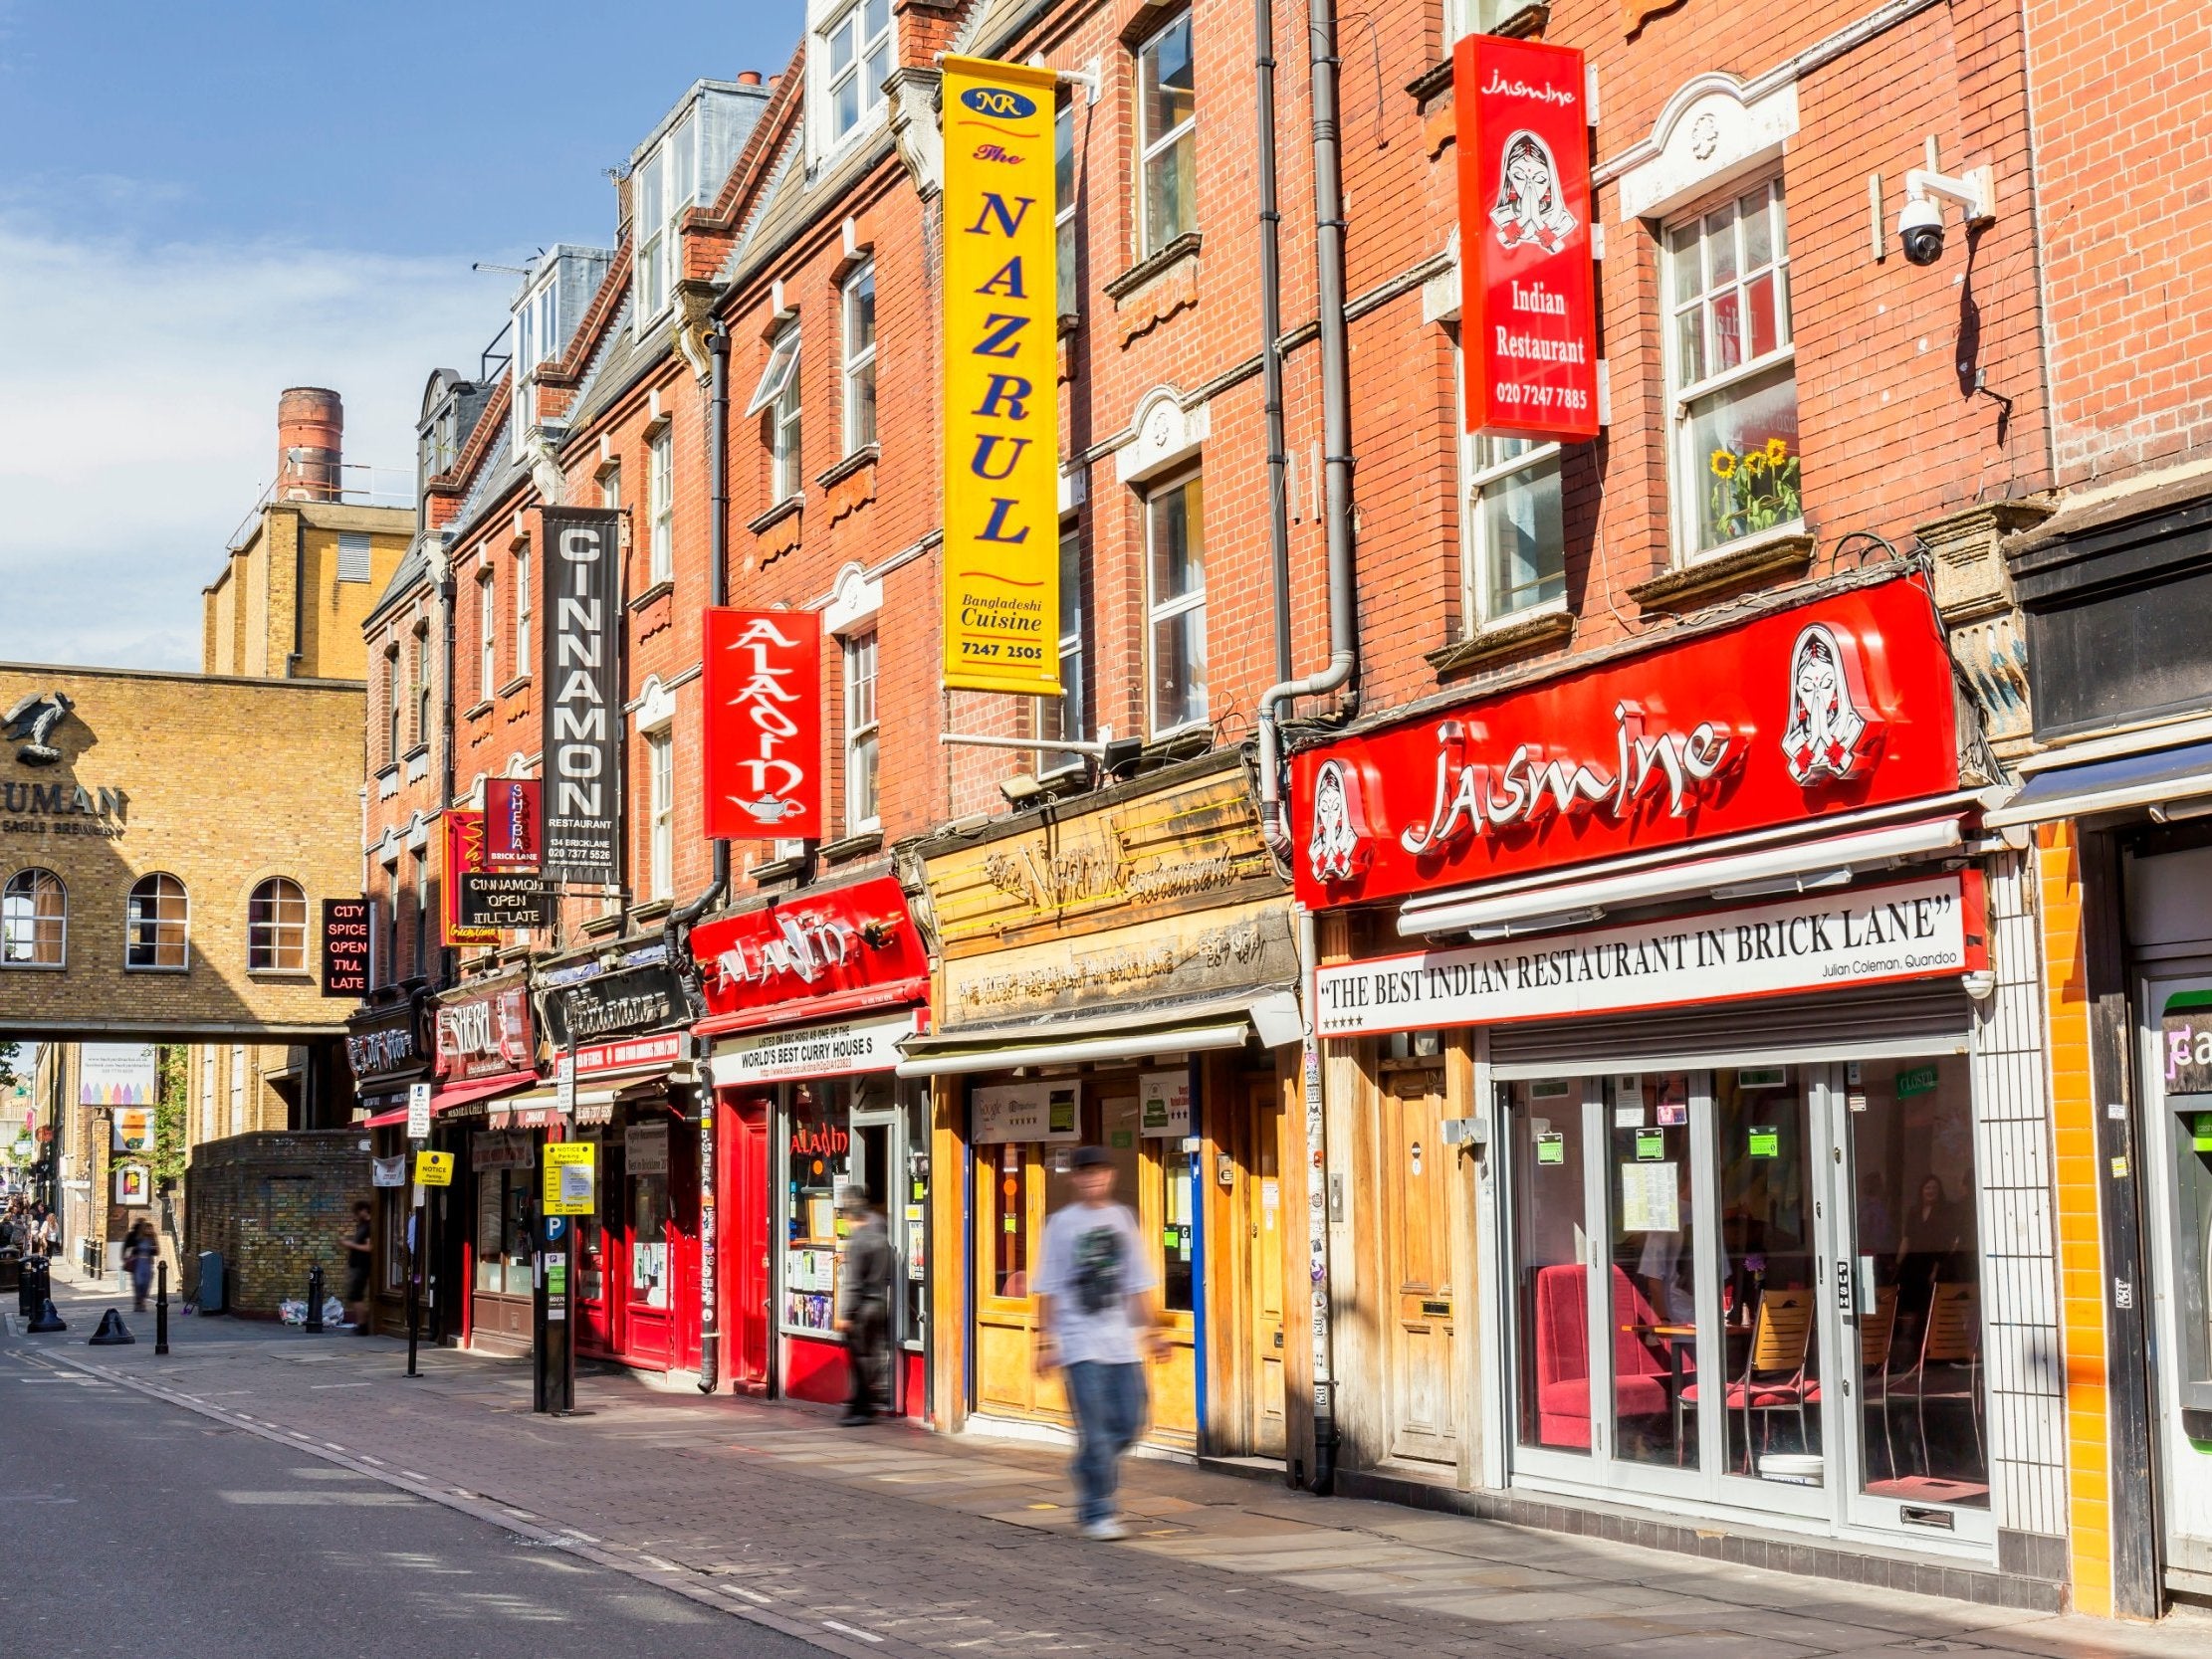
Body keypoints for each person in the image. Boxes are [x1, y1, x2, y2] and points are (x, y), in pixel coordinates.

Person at [1033, 1145, 1163, 1542]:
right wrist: (1046, 1343)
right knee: (1098, 1431)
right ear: (1074, 1178)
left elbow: (1137, 1281)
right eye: (1085, 1174)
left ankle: (1086, 1467)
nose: (1094, 1179)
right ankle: (1098, 1511)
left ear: (1110, 1175)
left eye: (1100, 1172)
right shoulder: (1060, 1224)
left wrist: (1153, 1332)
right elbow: (1048, 1288)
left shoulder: (1123, 1218)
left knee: (1129, 1424)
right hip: (1079, 1344)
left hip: (1122, 1344)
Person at [833, 1186, 895, 1425]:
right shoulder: (880, 1228)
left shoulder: (858, 1242)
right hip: (880, 1301)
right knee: (872, 1355)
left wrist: (845, 1314)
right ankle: (865, 1404)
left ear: (850, 1215)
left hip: (863, 1307)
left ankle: (861, 1407)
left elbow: (854, 1283)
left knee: (860, 1358)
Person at [337, 1199, 374, 1334]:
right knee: (354, 1295)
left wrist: (350, 1245)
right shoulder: (362, 1225)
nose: (356, 1216)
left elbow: (369, 1247)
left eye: (357, 1212)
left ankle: (362, 1325)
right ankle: (361, 1324)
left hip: (362, 1265)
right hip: (356, 1264)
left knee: (356, 1295)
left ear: (364, 1210)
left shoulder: (370, 1226)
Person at [124, 1219, 158, 1313]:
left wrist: (154, 1239)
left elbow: (157, 1252)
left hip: (147, 1264)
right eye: (147, 1229)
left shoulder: (152, 1239)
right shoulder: (138, 1238)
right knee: (138, 1283)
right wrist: (126, 1257)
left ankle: (142, 1301)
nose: (148, 1230)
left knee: (146, 1284)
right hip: (138, 1263)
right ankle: (139, 1302)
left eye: (150, 1229)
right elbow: (130, 1247)